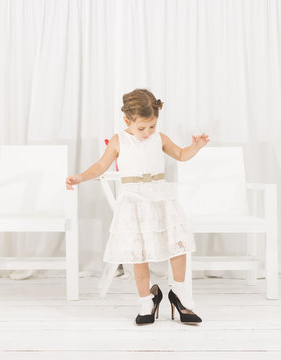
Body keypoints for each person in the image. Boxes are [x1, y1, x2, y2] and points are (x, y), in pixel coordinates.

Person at [66, 88, 210, 325]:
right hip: (133, 200)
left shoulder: (160, 138)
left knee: (177, 245)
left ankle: (180, 295)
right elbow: (101, 166)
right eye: (141, 128)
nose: (147, 132)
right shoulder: (118, 140)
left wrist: (196, 146)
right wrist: (80, 177)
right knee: (138, 253)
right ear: (127, 121)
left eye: (151, 126)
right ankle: (147, 300)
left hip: (160, 197)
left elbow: (182, 155)